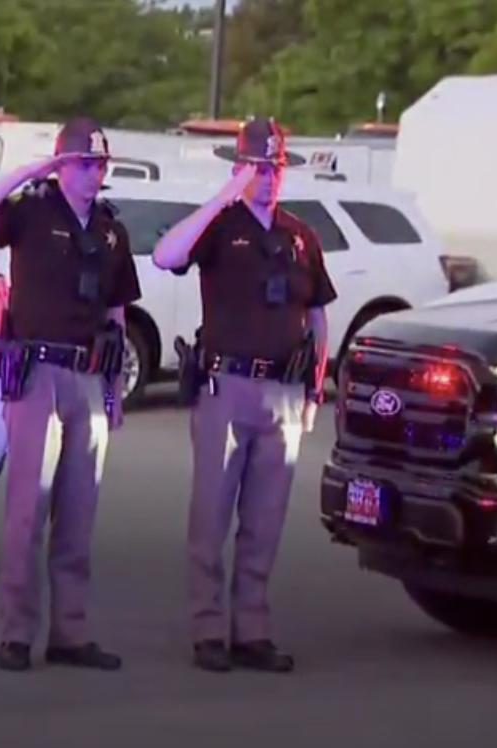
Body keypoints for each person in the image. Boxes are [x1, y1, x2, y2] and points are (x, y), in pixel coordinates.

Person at [0, 117, 141, 673]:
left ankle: (70, 632)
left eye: (100, 164)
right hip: (37, 373)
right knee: (27, 511)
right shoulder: (32, 211)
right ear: (62, 165)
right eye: (84, 162)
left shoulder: (110, 230)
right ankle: (17, 632)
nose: (94, 173)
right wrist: (31, 170)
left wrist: (115, 389)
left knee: (79, 513)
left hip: (88, 375)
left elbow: (116, 309)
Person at [151, 117, 335, 675]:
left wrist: (312, 392)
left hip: (283, 390)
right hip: (225, 386)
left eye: (276, 167)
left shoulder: (301, 234)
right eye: (258, 167)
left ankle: (251, 627)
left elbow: (319, 316)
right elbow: (166, 256)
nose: (269, 177)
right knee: (211, 514)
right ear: (238, 168)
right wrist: (222, 196)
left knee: (266, 518)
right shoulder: (220, 225)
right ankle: (209, 627)